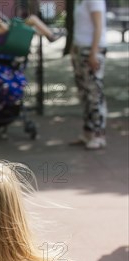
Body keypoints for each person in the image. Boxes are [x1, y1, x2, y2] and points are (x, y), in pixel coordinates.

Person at [69, 0, 107, 150]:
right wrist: (73, 49)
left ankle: (98, 135)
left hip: (91, 51)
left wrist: (94, 53)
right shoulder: (80, 1)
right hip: (80, 50)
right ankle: (88, 132)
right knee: (84, 93)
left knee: (94, 93)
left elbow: (99, 26)